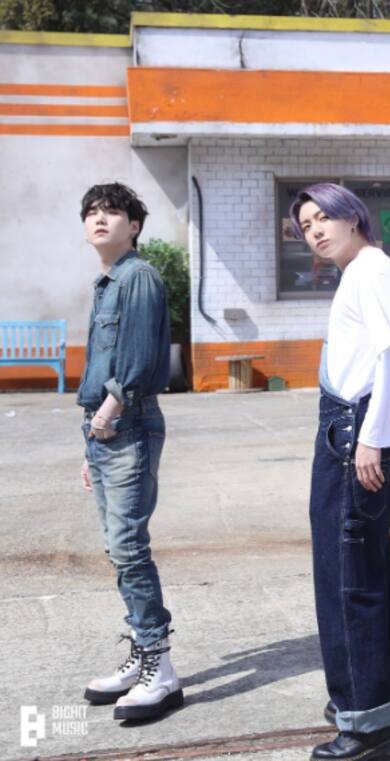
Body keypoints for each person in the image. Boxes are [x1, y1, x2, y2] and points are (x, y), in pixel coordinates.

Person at [292, 183, 390, 760]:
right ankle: (377, 701)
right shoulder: (361, 272)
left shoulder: (371, 270)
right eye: (305, 224)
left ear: (353, 217)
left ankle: (365, 718)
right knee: (362, 569)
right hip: (348, 428)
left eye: (323, 217)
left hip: (353, 432)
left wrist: (372, 438)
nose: (315, 230)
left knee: (347, 577)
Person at [77, 182, 182, 722]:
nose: (100, 219)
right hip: (105, 430)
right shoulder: (107, 281)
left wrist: (108, 415)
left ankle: (160, 670)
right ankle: (143, 654)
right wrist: (90, 444)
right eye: (92, 213)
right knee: (119, 550)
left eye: (112, 212)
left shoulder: (137, 277)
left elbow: (139, 360)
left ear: (134, 226)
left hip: (126, 423)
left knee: (129, 549)